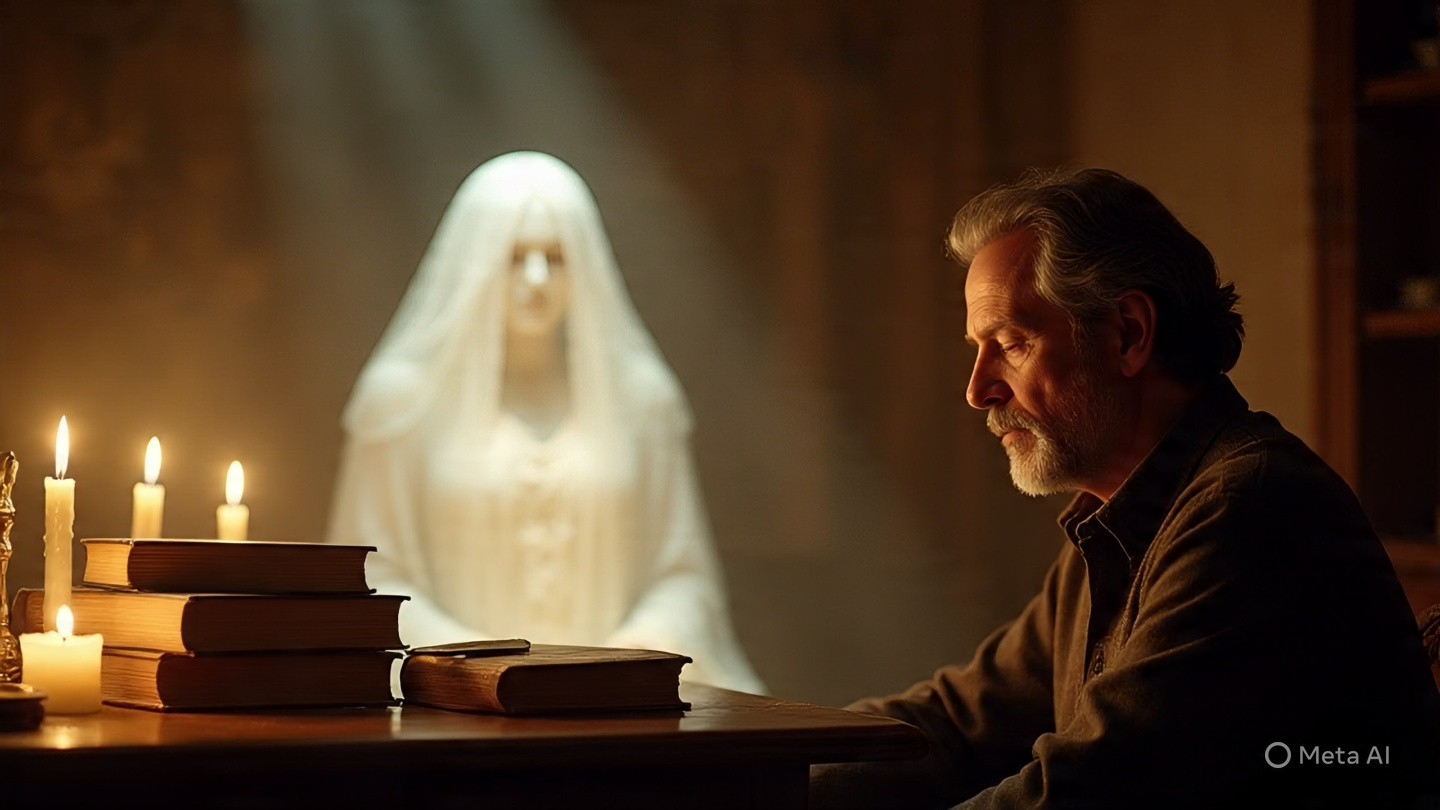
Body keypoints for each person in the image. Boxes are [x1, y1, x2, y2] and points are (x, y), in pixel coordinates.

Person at [810, 168, 1440, 807]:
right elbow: (959, 726)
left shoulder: (1248, 508)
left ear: (1129, 334)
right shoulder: (1121, 516)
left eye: (1010, 344)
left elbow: (1090, 793)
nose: (978, 391)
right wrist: (760, 761)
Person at [326, 151, 763, 694]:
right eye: (514, 257)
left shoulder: (643, 402)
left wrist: (619, 659)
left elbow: (682, 576)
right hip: (451, 706)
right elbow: (371, 577)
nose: (536, 279)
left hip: (614, 705)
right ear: (475, 262)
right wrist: (483, 669)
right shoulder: (401, 403)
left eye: (555, 257)